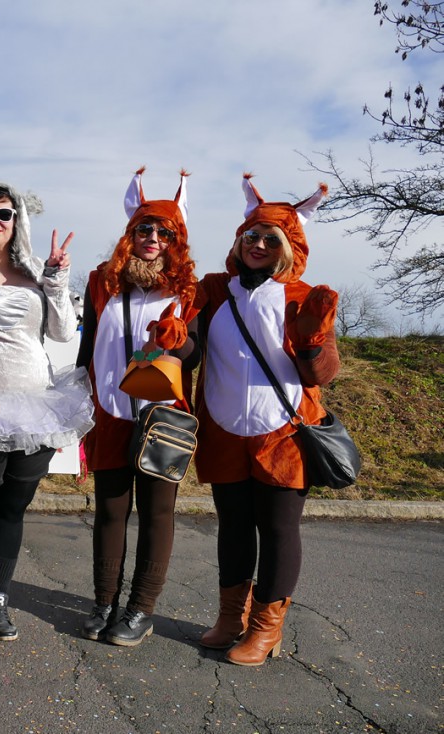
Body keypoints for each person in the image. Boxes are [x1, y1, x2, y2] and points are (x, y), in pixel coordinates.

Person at [194, 175, 337, 666]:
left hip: (283, 431)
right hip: (224, 425)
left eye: (270, 238)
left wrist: (315, 340)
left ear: (288, 247)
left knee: (277, 529)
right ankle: (231, 618)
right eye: (251, 235)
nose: (257, 244)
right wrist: (172, 335)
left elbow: (323, 373)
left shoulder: (303, 295)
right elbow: (189, 345)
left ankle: (265, 629)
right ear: (238, 240)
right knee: (233, 527)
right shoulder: (214, 290)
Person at [0, 183, 94, 643]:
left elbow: (64, 330)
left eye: (5, 213)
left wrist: (56, 277)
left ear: (17, 223)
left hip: (37, 408)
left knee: (13, 509)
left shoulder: (36, 275)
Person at [76, 168, 198, 647]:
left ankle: (140, 610)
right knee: (109, 511)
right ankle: (104, 600)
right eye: (144, 229)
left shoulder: (188, 293)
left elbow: (197, 354)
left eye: (164, 231)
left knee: (156, 514)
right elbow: (87, 347)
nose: (152, 238)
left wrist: (180, 339)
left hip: (162, 418)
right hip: (109, 412)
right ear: (130, 234)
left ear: (177, 239)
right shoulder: (102, 284)